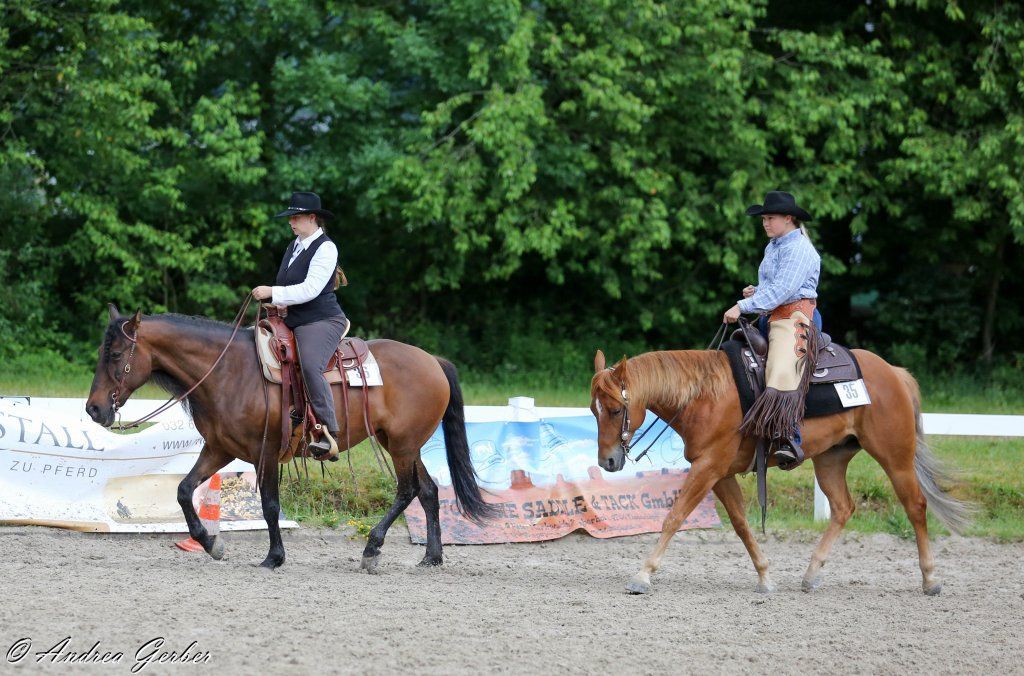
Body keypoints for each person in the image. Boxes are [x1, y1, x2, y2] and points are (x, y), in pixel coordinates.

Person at [722, 191, 821, 469]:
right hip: (773, 314)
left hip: (795, 317)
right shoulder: (775, 245)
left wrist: (743, 305)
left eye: (770, 218)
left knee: (781, 367)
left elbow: (784, 290)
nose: (765, 223)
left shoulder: (799, 249)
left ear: (788, 219)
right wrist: (758, 291)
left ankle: (788, 437)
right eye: (764, 218)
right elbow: (775, 287)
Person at [252, 192, 347, 460]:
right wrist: (281, 305)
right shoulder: (294, 246)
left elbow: (311, 289)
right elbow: (293, 286)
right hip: (294, 317)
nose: (291, 222)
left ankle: (328, 432)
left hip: (321, 320)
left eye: (296, 217)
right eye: (290, 218)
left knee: (309, 364)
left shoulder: (326, 248)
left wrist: (273, 292)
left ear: (312, 218)